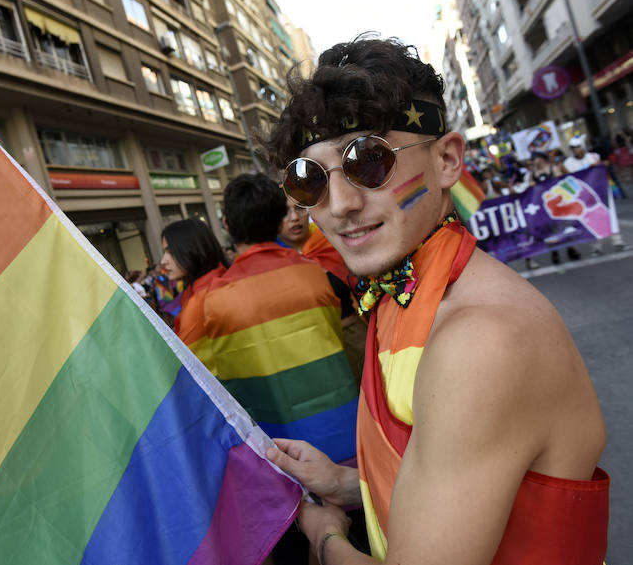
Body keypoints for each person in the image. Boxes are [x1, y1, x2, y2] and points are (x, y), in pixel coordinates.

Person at [263, 35, 608, 565]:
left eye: (369, 161)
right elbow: (445, 486)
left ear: (447, 160)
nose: (341, 205)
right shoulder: (403, 294)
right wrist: (344, 483)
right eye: (310, 178)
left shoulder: (482, 341)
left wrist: (325, 534)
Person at [200, 173, 363, 561]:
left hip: (279, 469)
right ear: (278, 220)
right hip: (352, 455)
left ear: (227, 225)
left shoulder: (211, 303)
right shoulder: (316, 276)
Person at [278, 198, 366, 381]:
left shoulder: (334, 242)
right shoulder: (274, 265)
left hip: (355, 339)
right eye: (285, 212)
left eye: (299, 208)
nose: (294, 218)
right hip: (311, 352)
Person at [159, 218, 227, 345]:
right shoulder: (211, 284)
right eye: (165, 252)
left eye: (171, 252)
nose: (163, 261)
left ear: (193, 249)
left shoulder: (203, 300)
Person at [564, 136, 629, 254]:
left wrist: (600, 165)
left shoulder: (593, 157)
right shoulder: (568, 163)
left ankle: (617, 241)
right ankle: (597, 246)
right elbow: (570, 178)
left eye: (577, 147)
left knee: (609, 215)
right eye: (573, 148)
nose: (575, 150)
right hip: (584, 197)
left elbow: (603, 168)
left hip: (601, 193)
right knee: (593, 220)